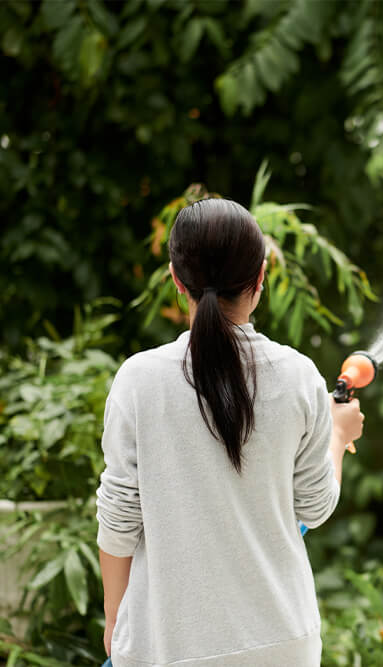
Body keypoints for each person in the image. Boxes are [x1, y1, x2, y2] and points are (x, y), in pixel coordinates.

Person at [95, 198, 364, 666]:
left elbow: (119, 522)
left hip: (169, 646)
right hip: (285, 644)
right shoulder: (299, 376)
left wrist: (115, 617)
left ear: (177, 281)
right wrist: (339, 438)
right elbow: (314, 508)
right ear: (261, 277)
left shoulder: (138, 381)